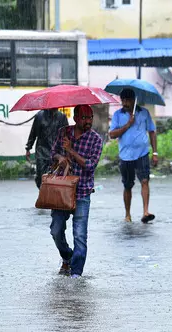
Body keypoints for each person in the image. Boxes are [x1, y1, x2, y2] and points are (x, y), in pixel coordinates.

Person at [49, 104, 103, 278]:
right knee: (56, 230)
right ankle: (67, 257)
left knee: (80, 235)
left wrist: (71, 150)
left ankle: (76, 273)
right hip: (61, 191)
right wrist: (61, 157)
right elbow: (53, 155)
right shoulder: (63, 132)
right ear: (75, 118)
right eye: (84, 117)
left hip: (82, 192)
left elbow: (90, 166)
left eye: (90, 117)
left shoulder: (96, 139)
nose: (88, 121)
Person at [109, 88, 158, 223]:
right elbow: (112, 134)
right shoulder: (118, 115)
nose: (124, 103)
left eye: (127, 100)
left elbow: (152, 132)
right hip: (125, 155)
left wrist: (155, 152)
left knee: (144, 181)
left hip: (142, 153)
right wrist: (128, 125)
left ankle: (146, 211)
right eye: (122, 100)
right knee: (128, 185)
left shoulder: (144, 113)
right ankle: (127, 214)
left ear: (133, 100)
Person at [25, 108, 68, 188]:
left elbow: (66, 135)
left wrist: (67, 151)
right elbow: (33, 132)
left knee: (55, 179)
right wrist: (28, 147)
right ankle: (42, 192)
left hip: (57, 153)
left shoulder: (62, 117)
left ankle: (51, 196)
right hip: (42, 152)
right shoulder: (39, 116)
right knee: (41, 177)